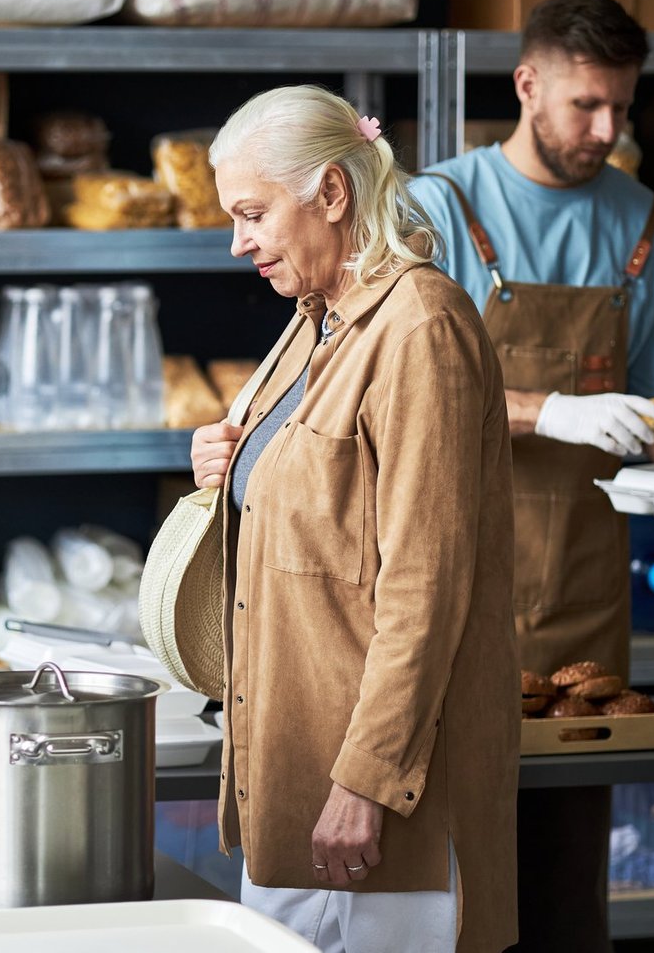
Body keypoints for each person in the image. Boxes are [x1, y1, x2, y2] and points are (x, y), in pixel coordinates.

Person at [407, 0, 654, 953]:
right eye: (585, 105)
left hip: (582, 591)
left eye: (621, 106)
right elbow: (400, 400)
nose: (607, 130)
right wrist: (553, 411)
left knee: (564, 882)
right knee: (436, 870)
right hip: (443, 585)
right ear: (527, 84)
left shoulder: (642, 221)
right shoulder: (435, 207)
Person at [189, 84, 518, 953]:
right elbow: (314, 504)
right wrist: (228, 468)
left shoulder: (419, 329)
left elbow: (425, 585)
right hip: (297, 773)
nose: (238, 243)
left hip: (378, 805)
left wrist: (366, 783)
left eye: (253, 213)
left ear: (331, 194)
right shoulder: (314, 320)